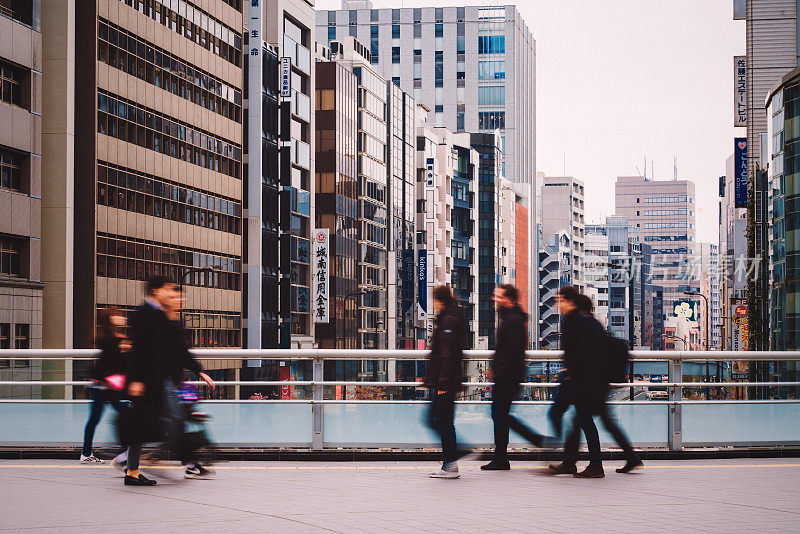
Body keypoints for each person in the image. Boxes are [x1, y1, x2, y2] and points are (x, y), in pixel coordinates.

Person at [120, 276, 215, 486]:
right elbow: (138, 351)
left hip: (159, 380)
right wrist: (136, 380)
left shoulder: (162, 315)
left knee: (150, 422)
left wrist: (198, 370)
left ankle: (133, 467)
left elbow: (176, 350)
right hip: (148, 380)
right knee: (163, 419)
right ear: (155, 291)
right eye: (169, 291)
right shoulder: (145, 314)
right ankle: (136, 464)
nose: (173, 295)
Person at [548, 288, 643, 478]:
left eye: (560, 300)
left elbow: (584, 354)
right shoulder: (586, 323)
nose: (558, 304)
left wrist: (572, 372)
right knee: (588, 421)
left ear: (571, 302)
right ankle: (574, 462)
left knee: (583, 421)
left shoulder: (580, 323)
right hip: (591, 381)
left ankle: (594, 465)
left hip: (587, 382)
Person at [481, 284, 545, 471]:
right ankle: (501, 457)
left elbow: (512, 351)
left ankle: (528, 442)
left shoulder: (513, 320)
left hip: (508, 376)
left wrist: (498, 370)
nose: (495, 299)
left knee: (499, 415)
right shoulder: (510, 317)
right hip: (507, 374)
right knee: (499, 415)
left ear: (508, 298)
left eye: (498, 296)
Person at [424, 285, 472, 479]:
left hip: (445, 381)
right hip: (447, 380)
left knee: (434, 420)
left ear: (439, 300)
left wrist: (442, 383)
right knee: (444, 422)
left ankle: (455, 455)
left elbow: (446, 354)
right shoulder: (452, 316)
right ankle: (452, 461)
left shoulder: (448, 320)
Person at [80, 307, 130, 463]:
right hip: (104, 385)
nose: (123, 318)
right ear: (111, 319)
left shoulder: (113, 338)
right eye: (119, 316)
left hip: (105, 385)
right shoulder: (112, 339)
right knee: (122, 414)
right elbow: (113, 363)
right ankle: (127, 449)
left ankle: (87, 453)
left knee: (101, 418)